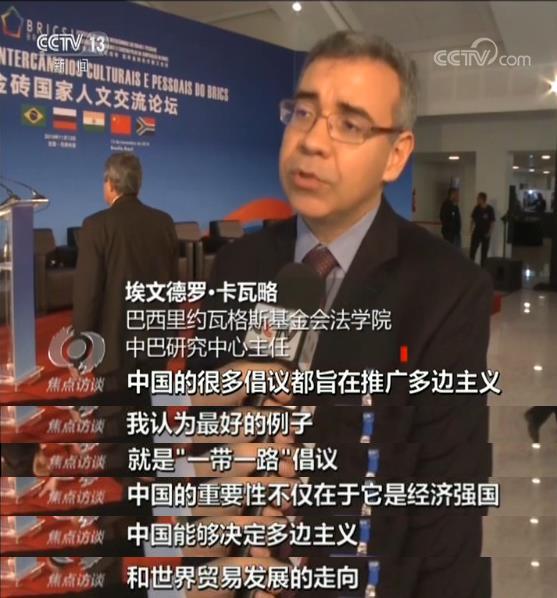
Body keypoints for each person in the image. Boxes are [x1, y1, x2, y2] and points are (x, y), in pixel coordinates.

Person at [188, 31, 493, 598]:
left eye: (350, 124)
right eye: (303, 112)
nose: (312, 142)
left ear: (396, 155)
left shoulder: (448, 288)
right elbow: (204, 450)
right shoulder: (237, 264)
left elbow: (447, 513)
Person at [73, 152, 179, 392]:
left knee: (115, 413)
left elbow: (88, 294)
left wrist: (79, 349)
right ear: (138, 184)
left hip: (114, 351)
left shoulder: (96, 226)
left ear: (111, 184)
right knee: (152, 411)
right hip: (156, 343)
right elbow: (173, 287)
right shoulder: (164, 222)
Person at [469, 192, 495, 267]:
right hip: (477, 232)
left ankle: (482, 268)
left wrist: (489, 233)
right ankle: (470, 266)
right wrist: (471, 229)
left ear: (482, 199)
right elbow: (472, 219)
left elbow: (492, 222)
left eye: (478, 198)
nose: (477, 199)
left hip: (485, 234)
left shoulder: (490, 209)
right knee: (472, 250)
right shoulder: (476, 208)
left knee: (484, 253)